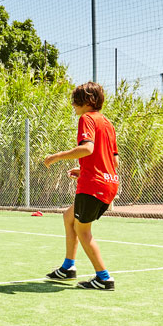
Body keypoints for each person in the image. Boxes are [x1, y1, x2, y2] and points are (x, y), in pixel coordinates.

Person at [43, 81, 120, 290]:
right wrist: (85, 170)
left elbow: (87, 149)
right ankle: (68, 267)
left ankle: (104, 278)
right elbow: (114, 162)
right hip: (109, 183)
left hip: (94, 184)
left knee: (82, 230)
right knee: (69, 217)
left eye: (76, 101)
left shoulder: (87, 118)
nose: (73, 105)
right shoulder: (107, 123)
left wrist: (57, 156)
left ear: (88, 101)